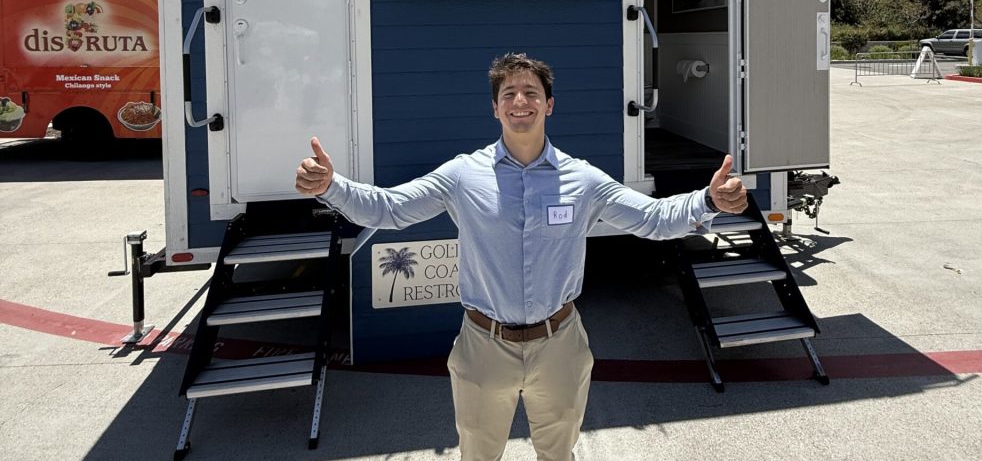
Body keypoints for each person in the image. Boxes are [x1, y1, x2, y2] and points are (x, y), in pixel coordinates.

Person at [295, 53, 747, 461]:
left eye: (531, 92)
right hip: (483, 345)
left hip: (560, 344)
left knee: (558, 454)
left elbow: (652, 218)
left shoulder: (583, 179)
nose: (520, 101)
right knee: (478, 455)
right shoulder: (462, 175)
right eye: (508, 93)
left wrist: (707, 200)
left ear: (549, 105)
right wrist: (332, 186)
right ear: (495, 108)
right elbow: (389, 208)